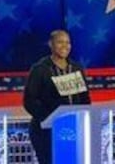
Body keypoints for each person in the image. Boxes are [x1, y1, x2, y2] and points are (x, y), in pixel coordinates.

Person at [23, 30, 91, 164]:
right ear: (51, 44)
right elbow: (29, 100)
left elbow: (84, 98)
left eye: (68, 42)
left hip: (72, 130)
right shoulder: (40, 69)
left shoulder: (76, 68)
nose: (65, 46)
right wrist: (51, 119)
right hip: (46, 132)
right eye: (60, 42)